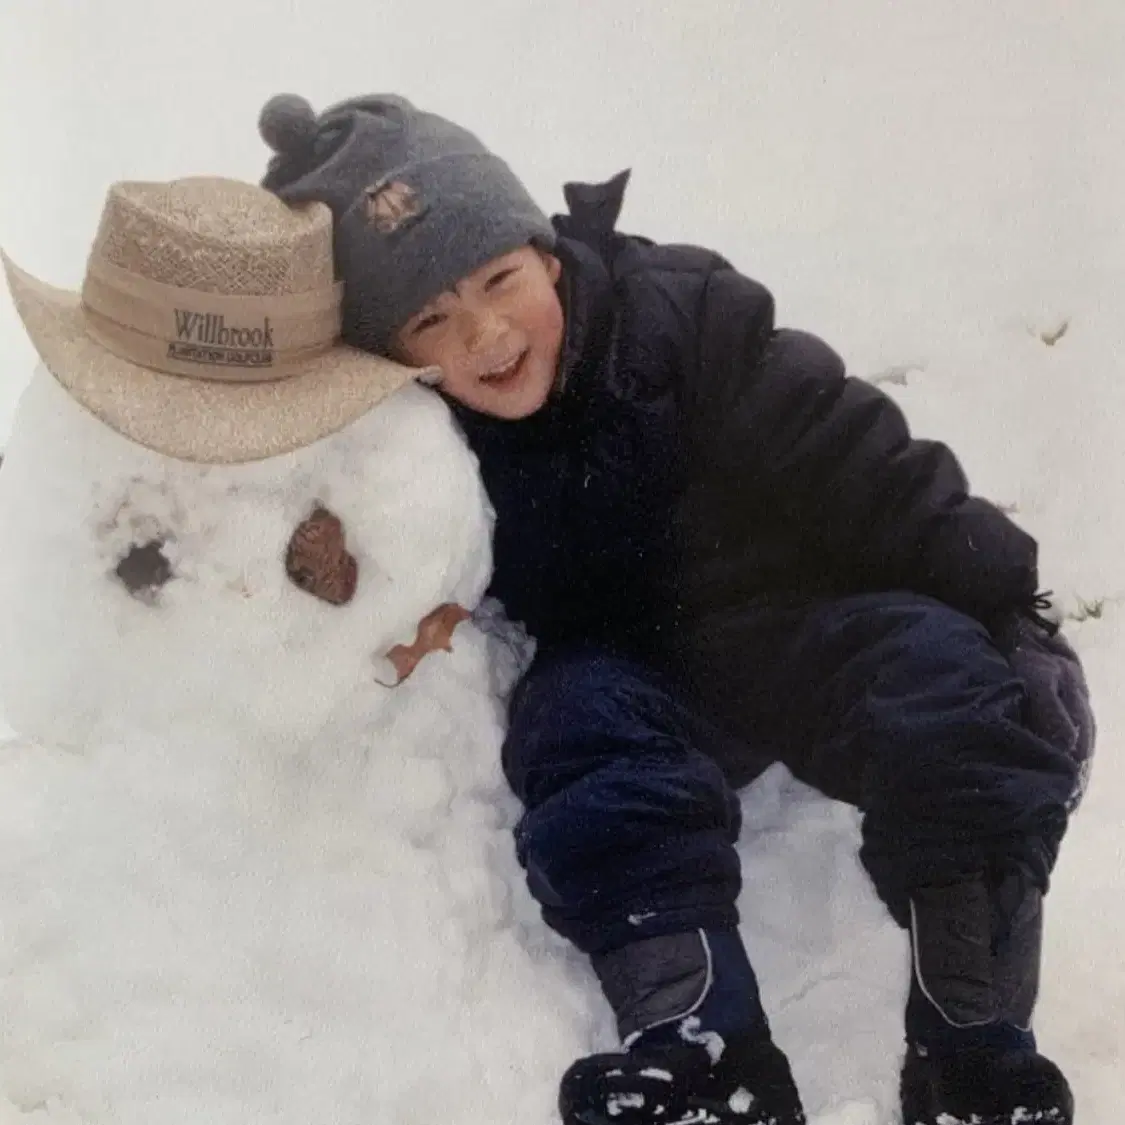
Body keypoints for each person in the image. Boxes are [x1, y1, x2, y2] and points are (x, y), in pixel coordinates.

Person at [255, 92, 1095, 1125]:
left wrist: (1010, 606)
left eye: (499, 280)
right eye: (429, 319)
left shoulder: (685, 319)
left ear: (548, 252)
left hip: (803, 621)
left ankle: (974, 1044)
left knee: (947, 680)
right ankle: (702, 1048)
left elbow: (856, 458)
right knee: (577, 741)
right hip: (625, 667)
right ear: (397, 359)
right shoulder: (423, 446)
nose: (483, 331)